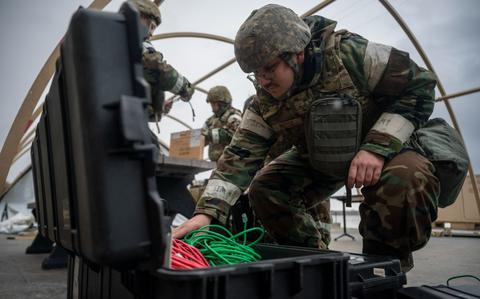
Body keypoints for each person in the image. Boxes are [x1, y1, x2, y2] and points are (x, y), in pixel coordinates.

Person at [173, 4, 468, 272]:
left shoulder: (351, 54)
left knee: (404, 179)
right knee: (266, 188)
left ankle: (383, 271)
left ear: (297, 54)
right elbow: (240, 155)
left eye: (269, 69)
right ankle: (316, 266)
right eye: (255, 74)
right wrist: (207, 213)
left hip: (390, 148)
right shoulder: (266, 100)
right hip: (321, 157)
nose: (262, 81)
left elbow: (420, 85)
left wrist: (376, 148)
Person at [129, 0, 194, 118]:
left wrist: (160, 109)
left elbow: (145, 115)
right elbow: (156, 67)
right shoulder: (136, 43)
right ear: (140, 18)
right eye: (152, 26)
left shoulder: (108, 36)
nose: (151, 34)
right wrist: (184, 87)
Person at [201, 86, 242, 162]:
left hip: (232, 163)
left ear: (222, 103)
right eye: (211, 104)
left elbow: (234, 135)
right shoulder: (210, 121)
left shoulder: (234, 116)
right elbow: (201, 137)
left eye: (214, 104)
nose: (212, 107)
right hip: (216, 164)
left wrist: (210, 135)